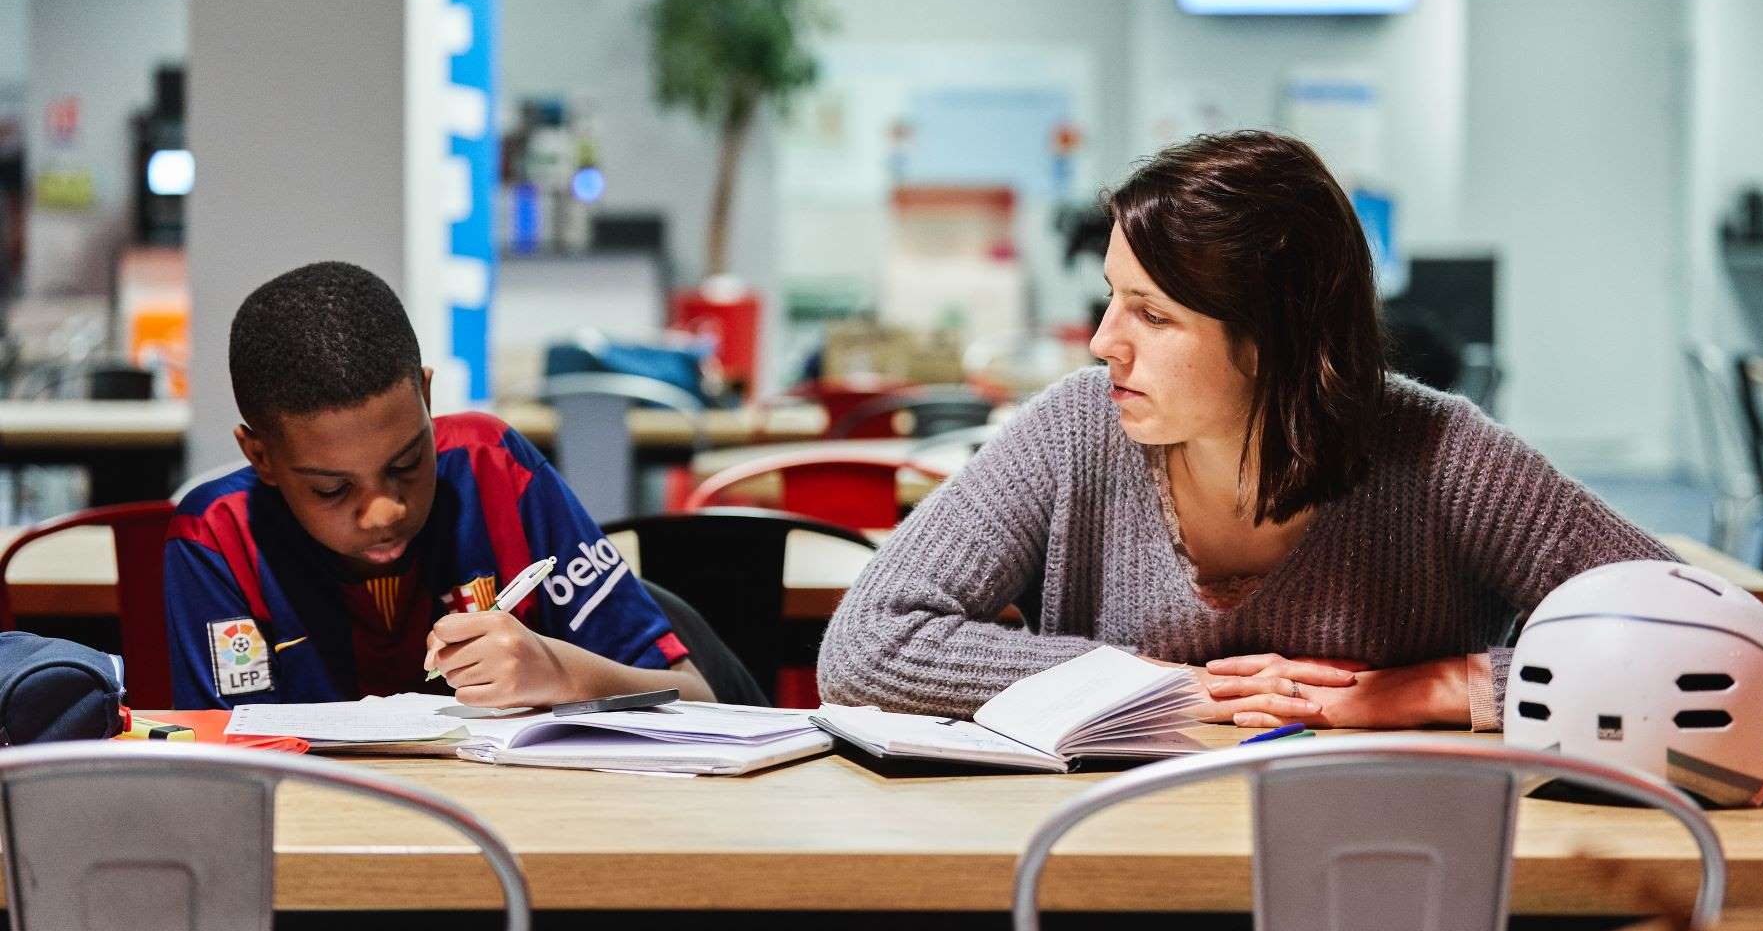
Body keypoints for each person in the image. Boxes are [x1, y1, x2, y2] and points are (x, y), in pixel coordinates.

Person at [818, 130, 1670, 730]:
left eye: (1150, 315)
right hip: (1116, 868)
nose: (1103, 342)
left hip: (1388, 857)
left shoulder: (1442, 454)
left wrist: (1426, 689)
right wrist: (1159, 691)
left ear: (1269, 339)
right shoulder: (1078, 429)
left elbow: (1699, 647)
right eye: (1111, 298)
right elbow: (867, 646)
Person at [165, 261, 713, 709]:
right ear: (260, 455)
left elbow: (699, 699)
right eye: (332, 490)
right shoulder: (216, 536)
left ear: (427, 400)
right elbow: (226, 770)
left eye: (406, 465)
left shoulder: (495, 468)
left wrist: (564, 673)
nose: (383, 511)